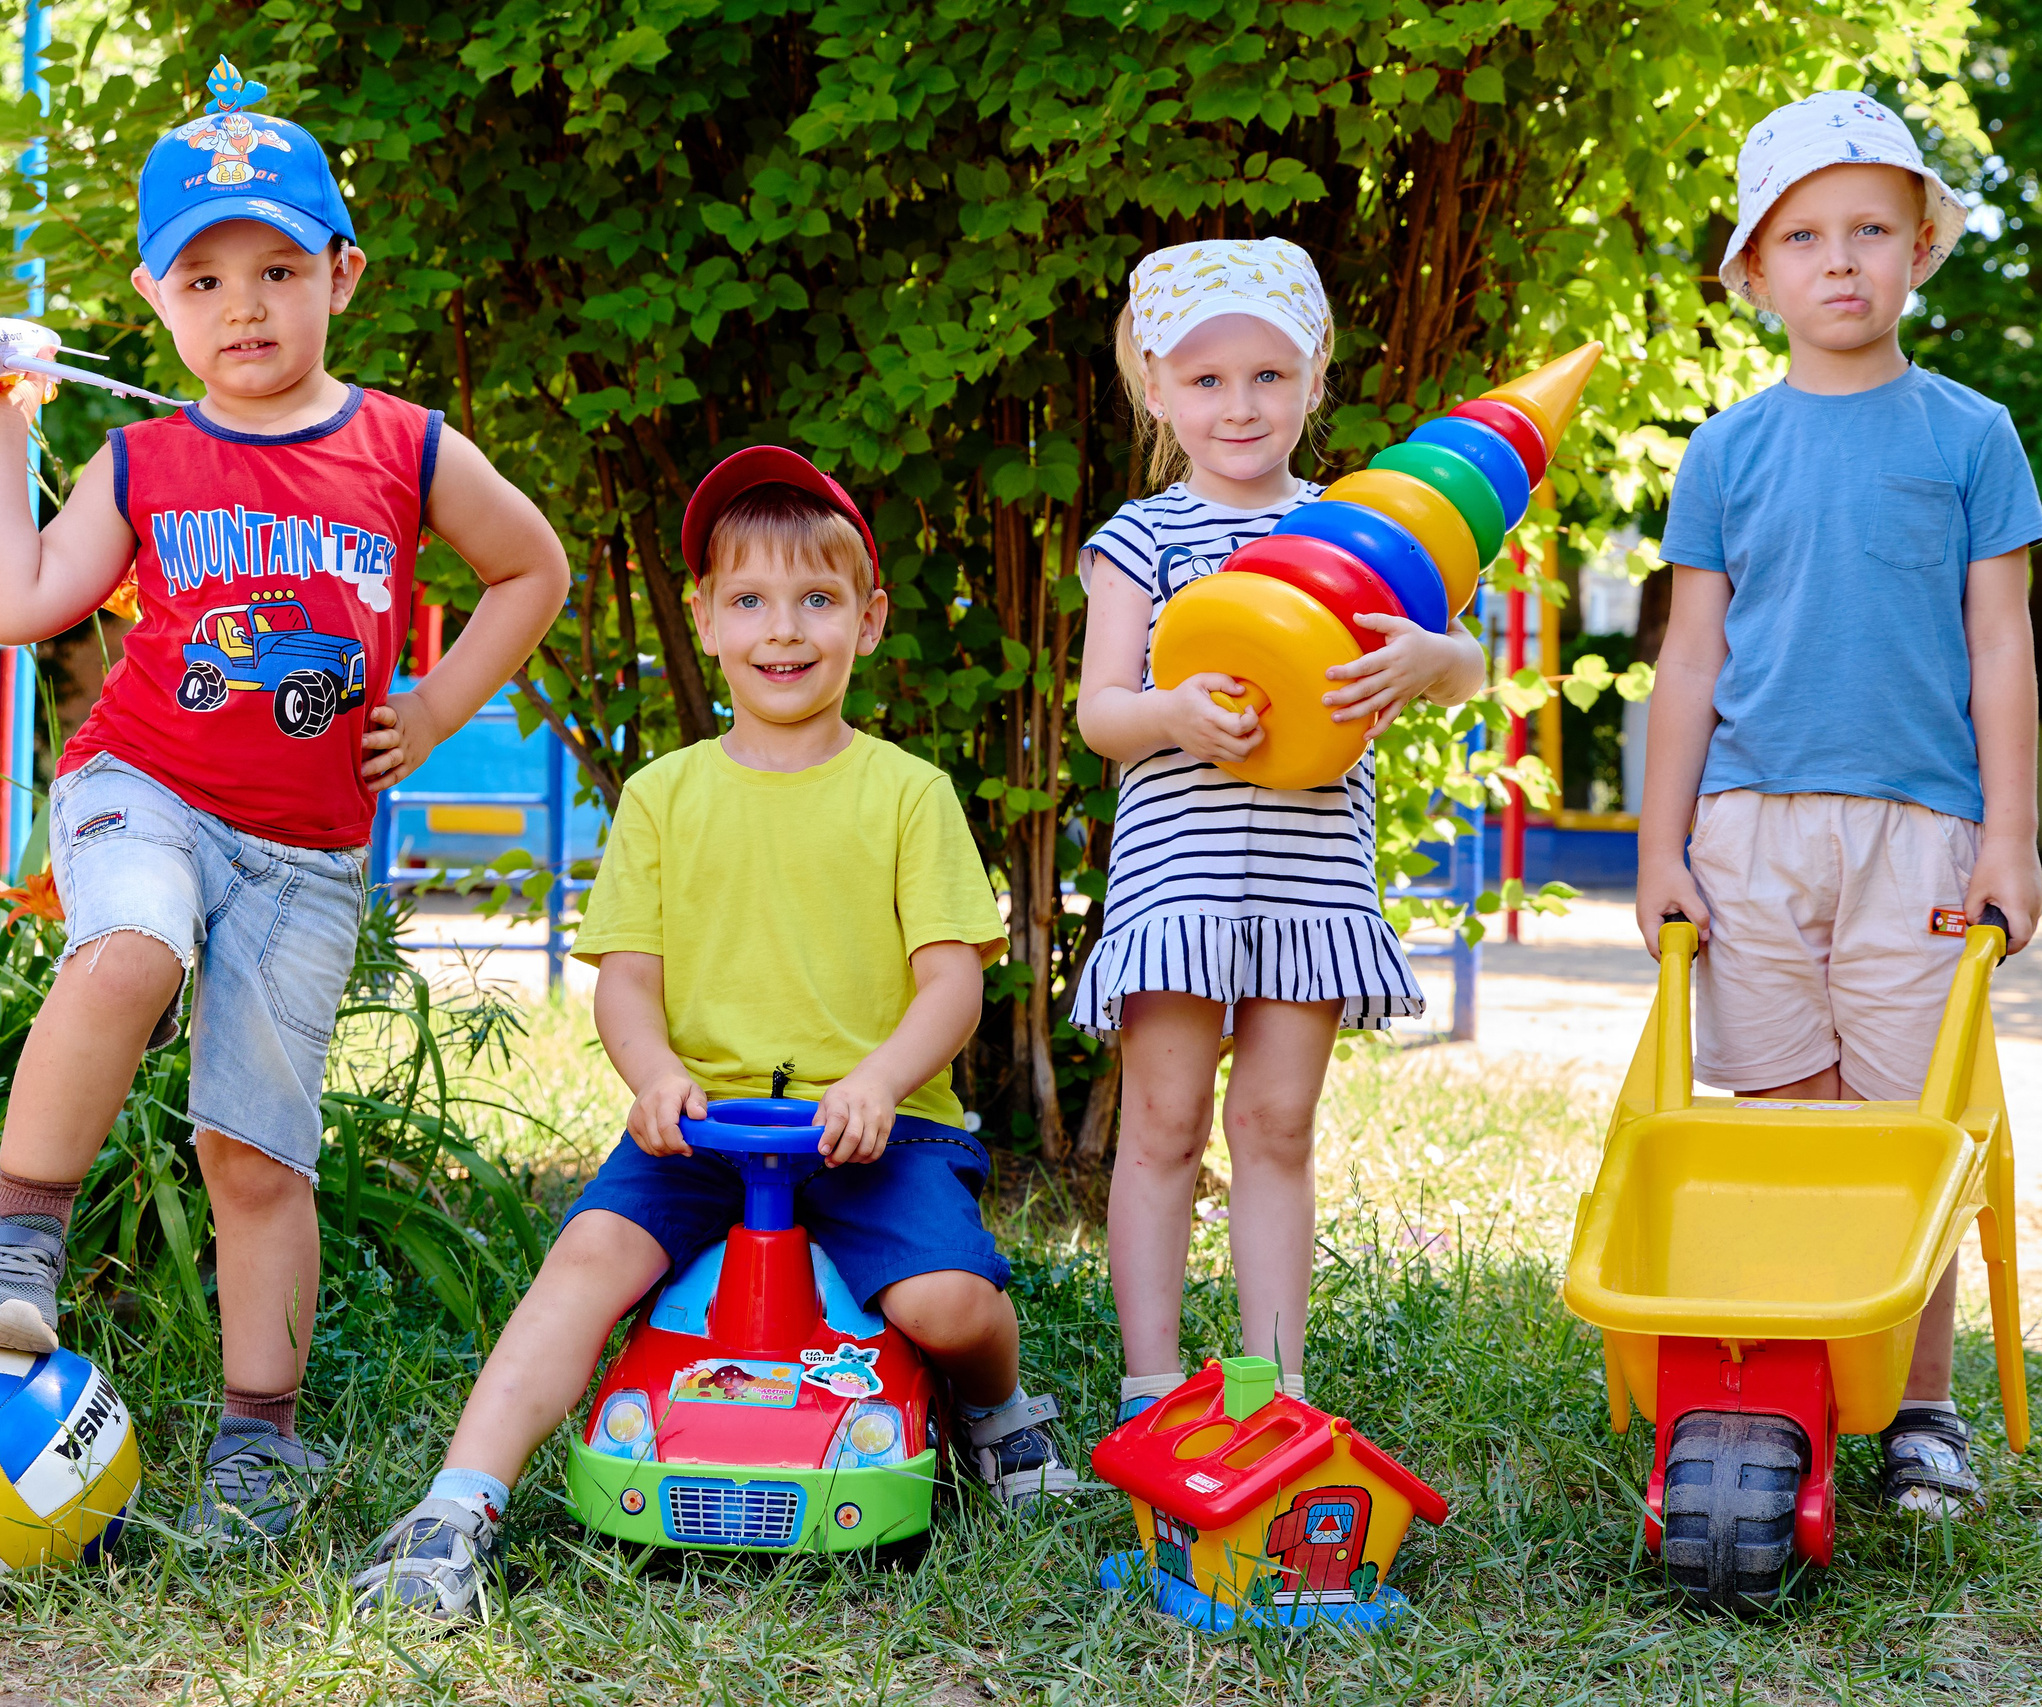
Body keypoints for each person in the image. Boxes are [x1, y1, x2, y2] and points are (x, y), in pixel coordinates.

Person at [0, 60, 569, 1543]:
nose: (245, 305)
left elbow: (531, 566)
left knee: (256, 1150)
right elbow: (21, 603)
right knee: (132, 946)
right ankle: (19, 1238)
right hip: (139, 782)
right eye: (205, 275)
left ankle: (259, 1445)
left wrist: (441, 699)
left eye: (279, 267)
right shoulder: (145, 455)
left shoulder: (403, 446)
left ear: (341, 272)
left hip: (307, 851)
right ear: (157, 299)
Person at [351, 447, 1079, 1620]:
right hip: (702, 1127)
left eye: (816, 601)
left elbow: (950, 985)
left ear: (869, 620)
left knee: (945, 1303)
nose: (780, 631)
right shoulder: (664, 795)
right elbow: (627, 984)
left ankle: (994, 1415)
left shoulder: (905, 793)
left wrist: (882, 1080)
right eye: (747, 601)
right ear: (701, 621)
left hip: (880, 1129)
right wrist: (653, 1077)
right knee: (583, 1262)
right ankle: (455, 1508)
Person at [1637, 90, 2042, 1515]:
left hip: (1921, 833)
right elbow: (1690, 658)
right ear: (1755, 273)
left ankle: (1918, 1405)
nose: (1841, 260)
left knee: (1903, 1127)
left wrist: (2010, 833)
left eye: (1872, 227)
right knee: (1790, 1119)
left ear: (1922, 246)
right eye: (1804, 236)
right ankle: (1796, 1384)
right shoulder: (1726, 450)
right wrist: (1660, 845)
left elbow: (2001, 643)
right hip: (1750, 832)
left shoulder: (1973, 433)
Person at [1070, 238, 1488, 1426]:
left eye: (1267, 374)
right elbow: (1102, 713)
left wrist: (1429, 657)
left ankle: (1270, 1391)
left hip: (1310, 887)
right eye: (1205, 381)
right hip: (1180, 884)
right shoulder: (1141, 537)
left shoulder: (1358, 530)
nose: (1238, 404)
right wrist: (1173, 712)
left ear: (1314, 379)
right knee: (1160, 1126)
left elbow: (1461, 662)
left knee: (1276, 1125)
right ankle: (1151, 1388)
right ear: (1155, 390)